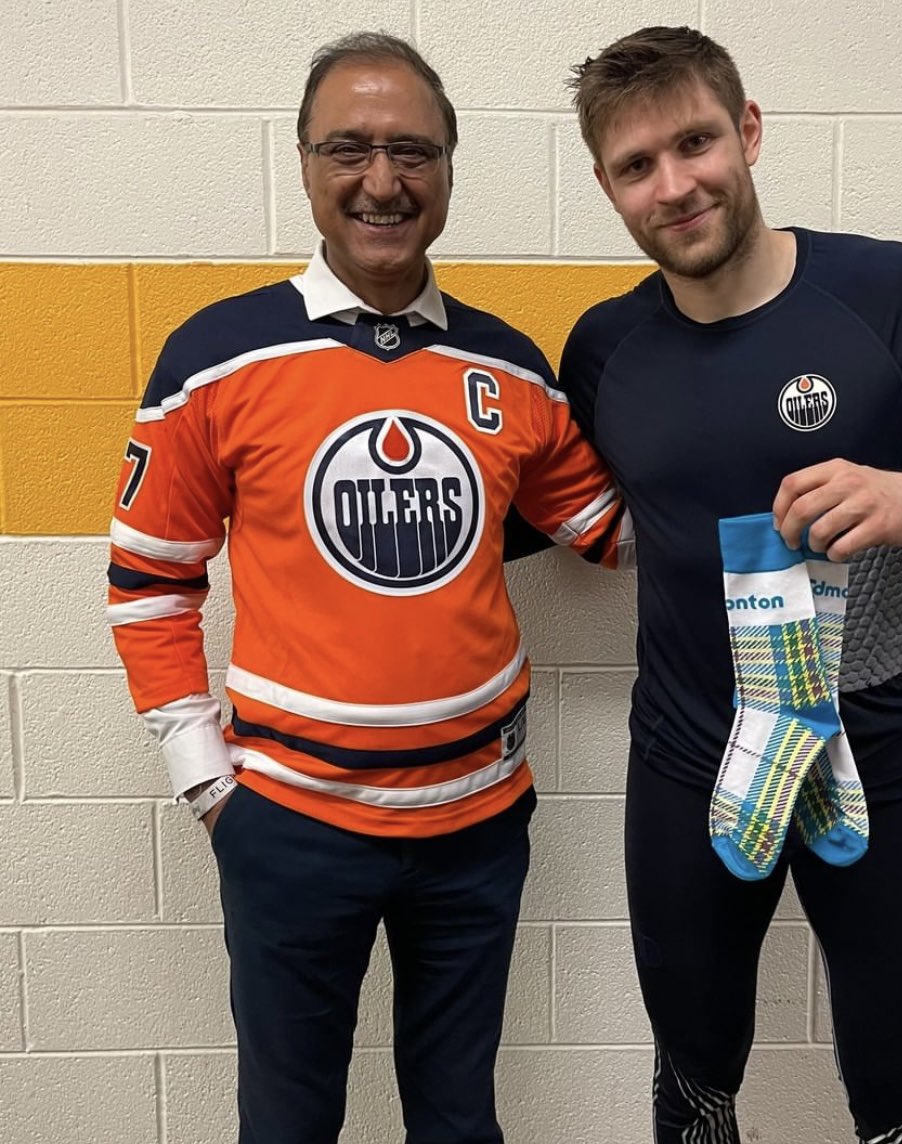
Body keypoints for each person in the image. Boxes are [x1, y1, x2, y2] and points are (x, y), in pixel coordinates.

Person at [557, 25, 902, 1144]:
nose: (674, 185)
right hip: (688, 760)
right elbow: (558, 511)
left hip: (880, 758)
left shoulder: (895, 295)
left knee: (899, 1093)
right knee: (694, 1073)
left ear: (747, 132)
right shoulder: (606, 348)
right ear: (607, 186)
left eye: (695, 141)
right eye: (635, 164)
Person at [106, 32, 631, 1144]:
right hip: (288, 827)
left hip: (477, 826)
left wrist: (748, 423)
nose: (381, 181)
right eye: (348, 148)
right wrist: (210, 786)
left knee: (457, 1120)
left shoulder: (508, 368)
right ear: (303, 165)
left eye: (413, 152)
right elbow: (150, 581)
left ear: (448, 170)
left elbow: (609, 530)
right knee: (289, 1123)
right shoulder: (215, 359)